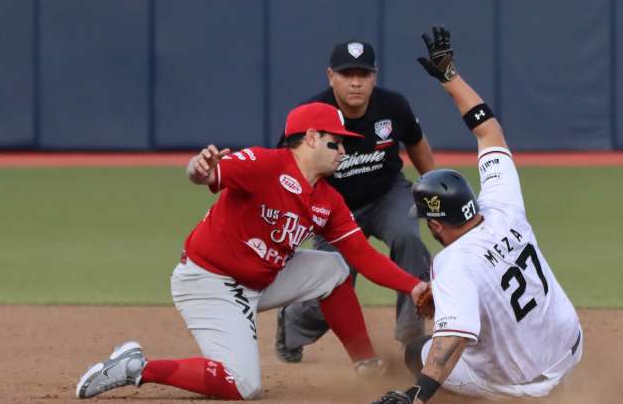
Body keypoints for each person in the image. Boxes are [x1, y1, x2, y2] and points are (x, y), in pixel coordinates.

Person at [74, 102, 429, 400]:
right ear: (310, 138)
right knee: (244, 385)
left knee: (334, 268)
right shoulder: (264, 164)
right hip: (210, 281)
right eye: (335, 143)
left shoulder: (327, 199)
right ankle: (137, 365)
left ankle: (365, 364)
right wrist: (198, 169)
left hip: (262, 279)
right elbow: (206, 175)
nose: (343, 151)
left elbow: (362, 256)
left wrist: (412, 286)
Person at [372, 26, 582, 404]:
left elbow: (452, 340)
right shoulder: (502, 205)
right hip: (571, 347)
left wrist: (415, 396)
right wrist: (450, 77)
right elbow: (489, 132)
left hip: (524, 385)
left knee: (416, 351)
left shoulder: (453, 264)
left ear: (435, 224)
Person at [276, 39, 436, 363]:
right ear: (330, 76)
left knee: (409, 239)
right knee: (336, 281)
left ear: (374, 77)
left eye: (363, 74)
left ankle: (412, 336)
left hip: (387, 194)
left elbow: (416, 143)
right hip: (332, 207)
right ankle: (293, 322)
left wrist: (434, 188)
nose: (355, 82)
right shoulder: (310, 115)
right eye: (346, 74)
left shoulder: (393, 106)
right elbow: (284, 165)